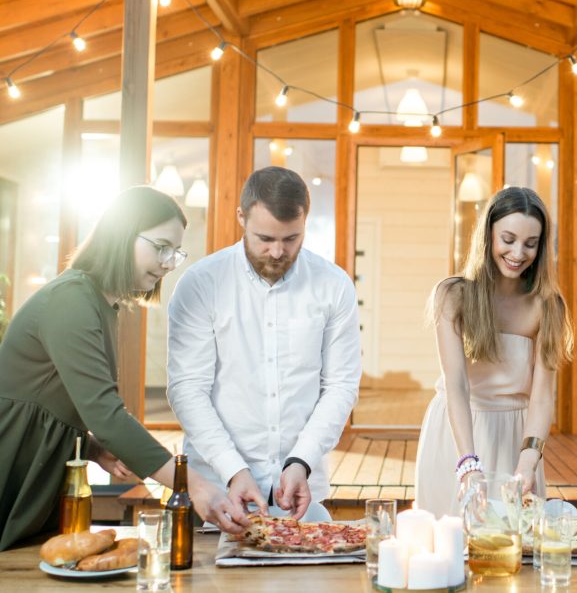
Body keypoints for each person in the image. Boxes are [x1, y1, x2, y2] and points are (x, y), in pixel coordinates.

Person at [0, 186, 245, 550]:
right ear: (121, 234)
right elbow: (105, 414)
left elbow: (61, 403)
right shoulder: (71, 300)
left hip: (37, 474)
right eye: (160, 247)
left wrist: (95, 448)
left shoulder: (100, 304)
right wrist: (191, 483)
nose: (167, 263)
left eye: (174, 253)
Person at [167, 166, 361, 520]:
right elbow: (187, 389)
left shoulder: (334, 286)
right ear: (241, 216)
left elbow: (340, 386)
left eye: (290, 239)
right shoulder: (200, 284)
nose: (277, 252)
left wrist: (300, 460)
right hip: (216, 491)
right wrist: (233, 469)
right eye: (265, 239)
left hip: (301, 494)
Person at [414, 187, 573, 517]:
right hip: (457, 434)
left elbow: (542, 398)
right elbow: (456, 384)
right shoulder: (453, 295)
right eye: (509, 239)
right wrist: (468, 464)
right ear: (488, 236)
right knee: (448, 543)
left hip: (516, 438)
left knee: (515, 544)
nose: (518, 253)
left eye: (531, 244)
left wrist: (527, 463)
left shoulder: (547, 306)